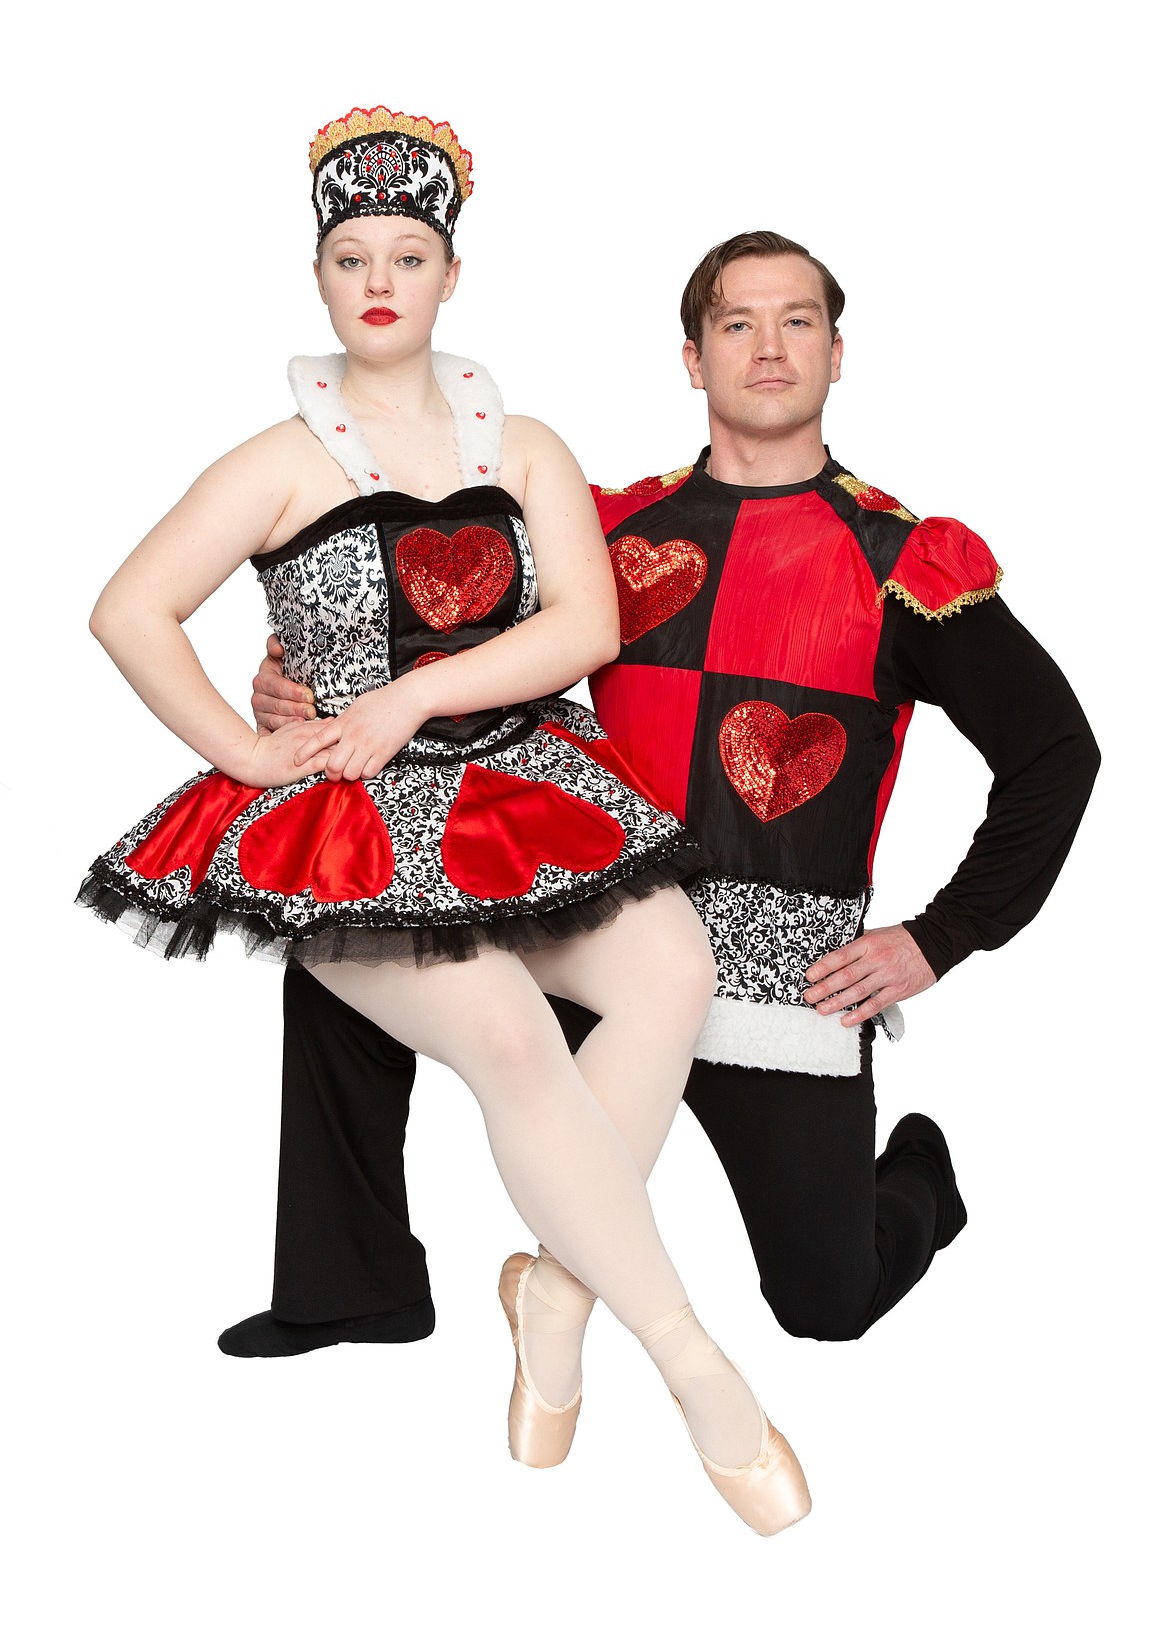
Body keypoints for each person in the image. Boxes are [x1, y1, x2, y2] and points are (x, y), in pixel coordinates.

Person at [77, 112, 813, 1537]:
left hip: (526, 780)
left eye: (406, 253)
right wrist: (251, 751)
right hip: (344, 821)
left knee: (672, 971)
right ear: (317, 274)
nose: (377, 277)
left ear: (449, 275)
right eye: (349, 254)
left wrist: (416, 697)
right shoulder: (275, 459)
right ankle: (698, 1368)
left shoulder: (523, 439)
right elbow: (124, 609)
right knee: (514, 1040)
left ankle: (555, 1292)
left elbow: (582, 626)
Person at [240, 227, 1100, 1364]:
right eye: (736, 323)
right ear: (693, 359)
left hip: (775, 979)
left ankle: (917, 1178)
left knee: (826, 1302)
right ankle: (353, 1287)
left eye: (797, 322)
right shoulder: (605, 531)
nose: (769, 347)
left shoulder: (901, 560)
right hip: (593, 923)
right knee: (344, 943)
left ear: (838, 353)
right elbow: (433, 619)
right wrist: (298, 682)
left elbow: (1056, 752)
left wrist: (941, 939)